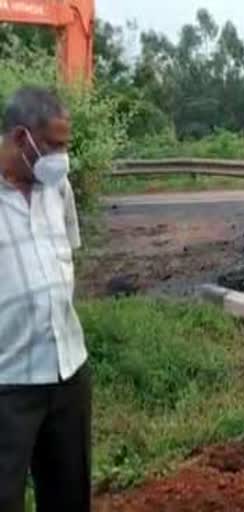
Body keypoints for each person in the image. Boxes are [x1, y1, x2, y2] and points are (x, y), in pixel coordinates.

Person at [0, 87, 90, 512]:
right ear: (21, 138)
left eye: (65, 144)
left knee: (69, 495)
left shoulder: (59, 189)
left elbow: (66, 256)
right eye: (53, 144)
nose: (62, 156)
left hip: (68, 369)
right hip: (8, 381)